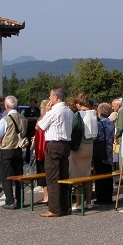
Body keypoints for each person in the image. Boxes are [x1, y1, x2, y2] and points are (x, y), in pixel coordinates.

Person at [37, 87, 73, 218]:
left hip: (54, 144)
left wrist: (46, 111)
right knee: (63, 176)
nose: (49, 99)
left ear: (56, 97)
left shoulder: (53, 112)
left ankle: (54, 209)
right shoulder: (69, 111)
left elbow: (39, 126)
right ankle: (65, 206)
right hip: (65, 144)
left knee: (52, 177)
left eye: (50, 96)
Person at [0, 95, 27, 210]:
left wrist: (0, 144)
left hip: (7, 149)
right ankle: (20, 200)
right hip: (18, 149)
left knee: (7, 176)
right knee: (19, 176)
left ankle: (9, 201)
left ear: (6, 106)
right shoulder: (23, 118)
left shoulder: (5, 119)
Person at [70, 92, 97, 211]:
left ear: (79, 103)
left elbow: (71, 128)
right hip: (90, 145)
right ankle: (89, 202)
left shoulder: (78, 114)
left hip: (79, 146)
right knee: (87, 174)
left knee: (76, 174)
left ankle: (78, 202)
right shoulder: (93, 113)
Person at [94, 102, 115, 205]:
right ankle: (108, 197)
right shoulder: (111, 124)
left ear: (100, 112)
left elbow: (96, 138)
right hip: (109, 151)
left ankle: (101, 198)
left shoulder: (99, 124)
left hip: (100, 153)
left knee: (99, 176)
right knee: (108, 175)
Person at [34, 99, 49, 203]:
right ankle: (46, 196)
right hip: (42, 146)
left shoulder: (44, 118)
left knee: (44, 172)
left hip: (43, 147)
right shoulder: (44, 118)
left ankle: (46, 196)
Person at [23, 98, 40, 163]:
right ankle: (27, 159)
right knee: (28, 144)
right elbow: (26, 117)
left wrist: (31, 118)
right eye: (31, 102)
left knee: (35, 144)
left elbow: (37, 118)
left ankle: (35, 159)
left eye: (33, 102)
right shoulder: (27, 110)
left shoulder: (37, 110)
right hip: (28, 129)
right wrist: (32, 118)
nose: (31, 103)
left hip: (35, 129)